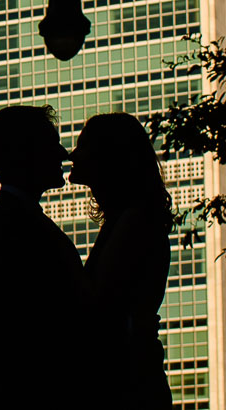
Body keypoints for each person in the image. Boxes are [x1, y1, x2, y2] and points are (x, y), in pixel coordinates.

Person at [0, 105, 88, 408]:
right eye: (52, 144)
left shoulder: (12, 220)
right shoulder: (18, 227)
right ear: (27, 152)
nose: (63, 153)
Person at [71, 112, 174, 409]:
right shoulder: (131, 220)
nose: (73, 153)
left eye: (83, 145)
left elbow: (100, 305)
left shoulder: (133, 222)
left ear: (108, 158)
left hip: (126, 386)